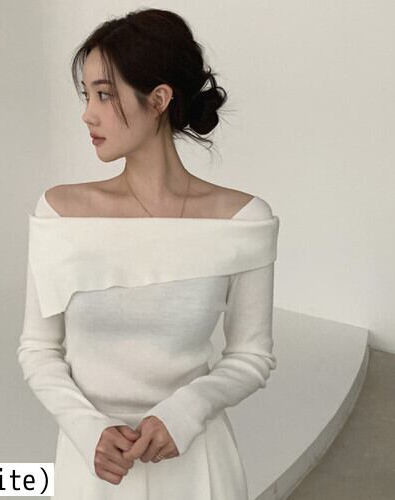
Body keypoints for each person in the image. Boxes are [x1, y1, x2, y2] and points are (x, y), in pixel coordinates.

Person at [17, 7, 280, 499]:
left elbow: (251, 355)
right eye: (86, 95)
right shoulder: (60, 215)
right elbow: (38, 348)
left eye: (103, 94)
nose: (87, 113)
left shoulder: (243, 222)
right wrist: (88, 430)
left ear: (158, 99)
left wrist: (186, 412)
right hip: (92, 469)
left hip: (199, 467)